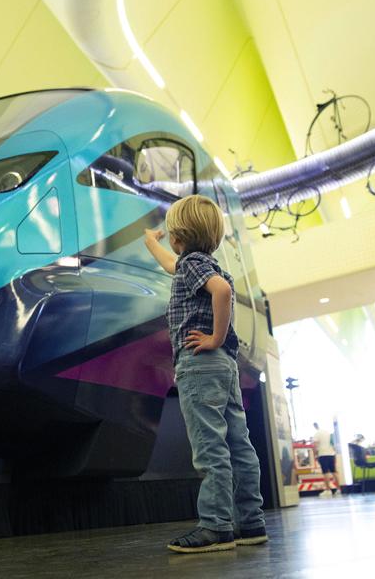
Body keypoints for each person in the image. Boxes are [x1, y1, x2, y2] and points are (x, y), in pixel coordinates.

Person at [144, 194, 266, 554]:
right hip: (225, 367)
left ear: (179, 237)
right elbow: (172, 265)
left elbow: (222, 292)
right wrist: (152, 243)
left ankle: (215, 526)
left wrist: (213, 337)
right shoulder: (201, 264)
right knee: (238, 445)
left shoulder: (194, 265)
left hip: (200, 364)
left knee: (210, 448)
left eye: (170, 236)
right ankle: (251, 521)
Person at [313, 422, 340, 496]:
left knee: (325, 473)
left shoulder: (317, 433)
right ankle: (338, 489)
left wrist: (315, 455)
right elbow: (333, 444)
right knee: (334, 471)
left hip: (323, 455)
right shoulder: (329, 433)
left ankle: (328, 490)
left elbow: (315, 445)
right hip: (331, 454)